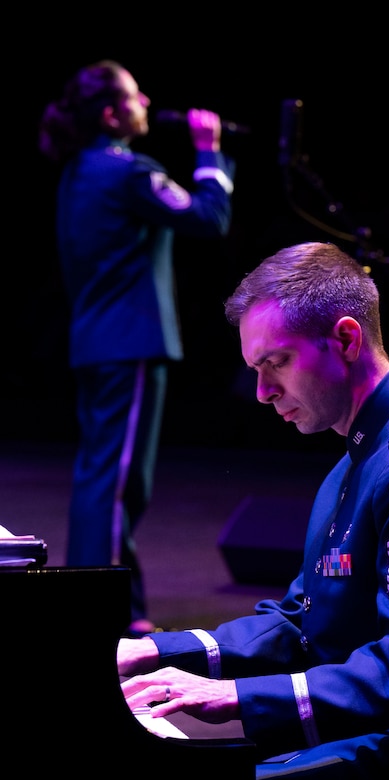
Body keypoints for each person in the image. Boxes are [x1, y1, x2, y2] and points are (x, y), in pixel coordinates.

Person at [117, 242, 389, 778]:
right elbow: (301, 622)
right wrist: (153, 652)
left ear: (345, 338)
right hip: (376, 736)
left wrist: (236, 696)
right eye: (256, 369)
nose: (263, 392)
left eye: (277, 362)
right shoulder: (364, 456)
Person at [38, 59, 235, 636]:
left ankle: (112, 599)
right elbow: (209, 217)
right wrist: (209, 153)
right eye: (133, 95)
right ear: (111, 113)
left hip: (96, 342)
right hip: (129, 343)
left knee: (100, 476)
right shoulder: (129, 173)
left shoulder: (80, 170)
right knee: (119, 480)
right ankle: (111, 610)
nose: (146, 100)